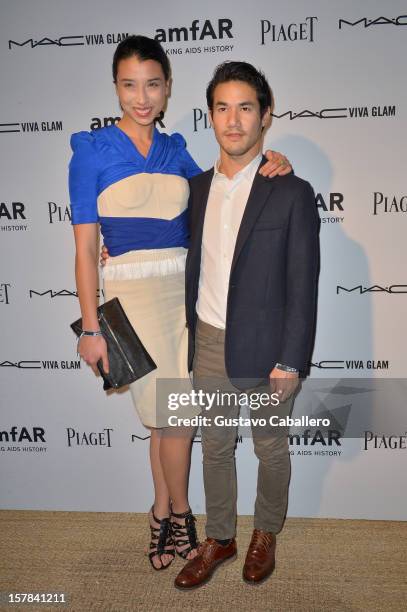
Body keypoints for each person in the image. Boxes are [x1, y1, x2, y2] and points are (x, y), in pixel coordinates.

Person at [69, 36, 292, 572]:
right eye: (129, 85)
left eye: (152, 84)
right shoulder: (91, 152)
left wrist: (271, 161)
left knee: (170, 422)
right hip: (131, 301)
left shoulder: (176, 152)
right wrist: (91, 328)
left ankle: (158, 514)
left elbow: (222, 192)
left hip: (182, 300)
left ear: (168, 89)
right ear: (116, 89)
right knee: (168, 419)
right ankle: (182, 518)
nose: (141, 97)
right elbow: (82, 250)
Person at [173, 61, 319, 589]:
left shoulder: (292, 190)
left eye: (245, 107)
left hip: (268, 348)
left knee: (269, 448)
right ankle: (221, 536)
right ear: (210, 115)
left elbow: (303, 284)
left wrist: (292, 358)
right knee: (214, 446)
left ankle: (265, 532)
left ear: (265, 116)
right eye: (222, 107)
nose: (233, 120)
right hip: (208, 341)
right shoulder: (194, 189)